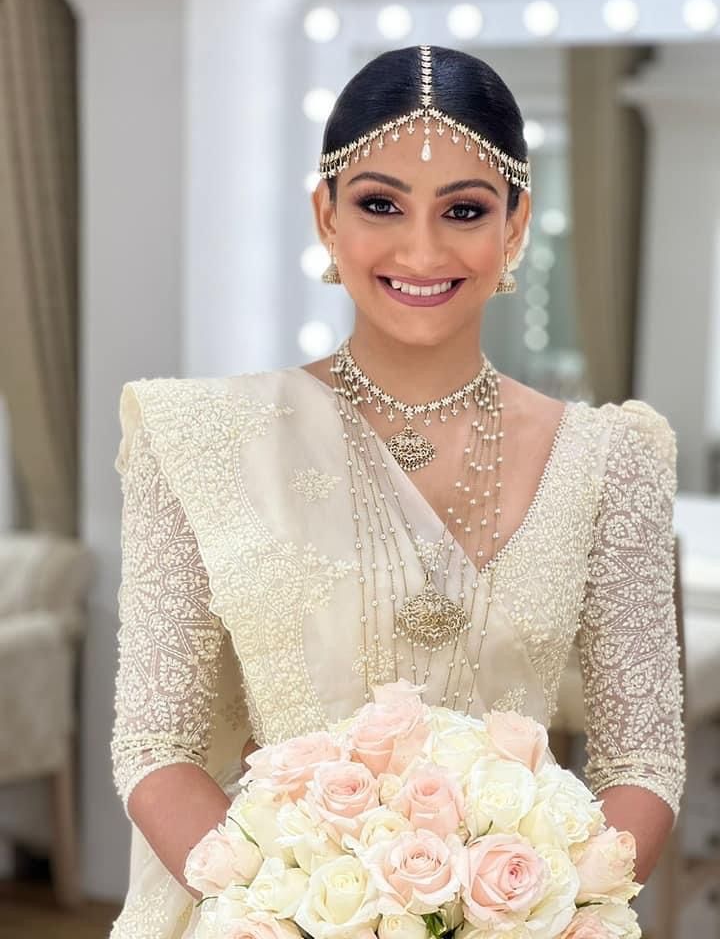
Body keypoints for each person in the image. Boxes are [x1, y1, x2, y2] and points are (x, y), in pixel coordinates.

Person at [108, 46, 685, 938]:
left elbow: (641, 760)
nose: (422, 249)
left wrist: (534, 910)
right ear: (325, 217)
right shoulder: (202, 440)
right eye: (380, 204)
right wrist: (289, 912)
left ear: (516, 225)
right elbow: (157, 747)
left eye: (464, 210)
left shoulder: (613, 459)